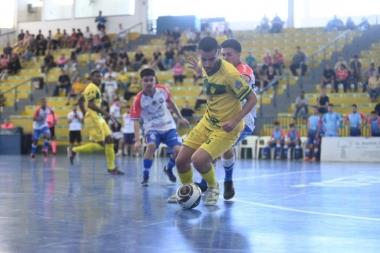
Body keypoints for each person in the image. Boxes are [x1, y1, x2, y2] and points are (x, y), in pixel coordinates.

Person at [169, 37, 256, 206]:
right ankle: (186, 192)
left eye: (211, 59)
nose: (207, 64)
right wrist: (198, 69)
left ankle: (213, 187)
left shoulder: (231, 74)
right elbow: (206, 71)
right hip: (208, 121)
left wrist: (235, 120)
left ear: (218, 54)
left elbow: (252, 99)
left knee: (199, 159)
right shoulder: (205, 66)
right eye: (204, 59)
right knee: (180, 161)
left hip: (228, 126)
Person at [196, 39, 257, 200]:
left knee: (211, 151)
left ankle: (206, 184)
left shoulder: (242, 72)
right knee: (224, 149)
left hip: (242, 121)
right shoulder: (220, 68)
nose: (225, 57)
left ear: (239, 54)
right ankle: (228, 181)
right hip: (223, 120)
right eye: (223, 55)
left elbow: (244, 95)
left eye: (229, 54)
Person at [131, 67, 189, 186]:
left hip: (168, 126)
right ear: (141, 82)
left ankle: (169, 168)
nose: (148, 83)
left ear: (155, 80)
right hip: (152, 128)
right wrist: (137, 140)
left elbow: (172, 103)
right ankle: (146, 174)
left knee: (179, 150)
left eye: (151, 80)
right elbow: (136, 121)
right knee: (151, 146)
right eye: (145, 80)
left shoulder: (163, 90)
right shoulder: (138, 99)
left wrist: (180, 117)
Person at [67, 70, 124, 175]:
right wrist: (107, 114)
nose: (99, 79)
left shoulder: (92, 88)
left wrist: (85, 114)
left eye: (100, 77)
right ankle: (74, 150)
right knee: (101, 144)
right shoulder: (92, 87)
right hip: (94, 119)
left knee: (110, 140)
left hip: (98, 118)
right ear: (91, 77)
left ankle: (112, 168)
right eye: (97, 76)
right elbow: (91, 105)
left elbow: (80, 101)